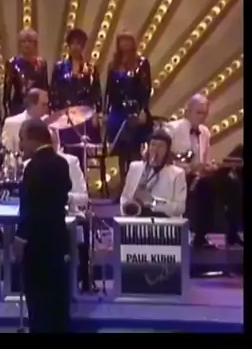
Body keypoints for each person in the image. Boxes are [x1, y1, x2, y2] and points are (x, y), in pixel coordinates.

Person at [14, 119, 72, 333]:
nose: (21, 145)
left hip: (37, 246)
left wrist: (20, 238)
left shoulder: (33, 167)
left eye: (22, 139)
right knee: (57, 302)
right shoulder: (62, 163)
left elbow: (31, 207)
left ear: (33, 139)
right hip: (58, 240)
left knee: (38, 303)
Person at [165, 95, 243, 247]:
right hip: (178, 176)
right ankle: (200, 235)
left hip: (199, 176)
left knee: (231, 183)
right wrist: (189, 167)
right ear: (187, 112)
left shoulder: (205, 132)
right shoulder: (171, 129)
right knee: (206, 186)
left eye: (205, 113)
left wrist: (210, 167)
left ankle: (233, 233)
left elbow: (205, 160)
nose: (202, 117)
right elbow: (164, 160)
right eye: (199, 112)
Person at [105, 31, 152, 190]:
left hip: (135, 110)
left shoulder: (142, 63)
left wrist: (144, 109)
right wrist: (106, 112)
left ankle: (135, 183)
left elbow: (146, 88)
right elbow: (109, 91)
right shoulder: (113, 65)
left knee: (135, 149)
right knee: (121, 150)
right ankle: (123, 183)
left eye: (127, 40)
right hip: (119, 111)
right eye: (121, 41)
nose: (124, 43)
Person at [50, 128, 90, 291]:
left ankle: (80, 279)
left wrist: (66, 197)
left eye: (51, 142)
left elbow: (84, 197)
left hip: (69, 214)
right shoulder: (29, 163)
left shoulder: (70, 162)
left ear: (58, 143)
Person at [50, 27, 102, 148]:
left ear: (83, 46)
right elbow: (53, 91)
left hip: (85, 115)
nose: (75, 46)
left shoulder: (91, 69)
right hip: (65, 116)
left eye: (79, 43)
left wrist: (96, 113)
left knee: (86, 147)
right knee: (66, 147)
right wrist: (54, 112)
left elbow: (96, 92)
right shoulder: (59, 67)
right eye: (73, 43)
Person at [120, 130, 187, 218]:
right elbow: (125, 196)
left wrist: (153, 203)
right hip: (137, 219)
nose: (156, 149)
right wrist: (127, 212)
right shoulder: (135, 167)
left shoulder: (177, 173)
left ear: (167, 150)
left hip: (164, 221)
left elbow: (180, 208)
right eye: (153, 145)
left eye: (161, 146)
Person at [3, 28, 49, 117]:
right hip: (18, 107)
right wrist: (8, 113)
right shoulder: (12, 63)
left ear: (35, 44)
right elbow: (7, 93)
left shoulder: (41, 63)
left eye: (30, 41)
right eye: (23, 41)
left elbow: (45, 87)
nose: (26, 44)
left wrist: (46, 108)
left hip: (37, 107)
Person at [1, 87, 49, 154]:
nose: (47, 108)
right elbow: (7, 151)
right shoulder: (12, 123)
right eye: (43, 105)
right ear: (33, 104)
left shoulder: (50, 122)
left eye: (47, 104)